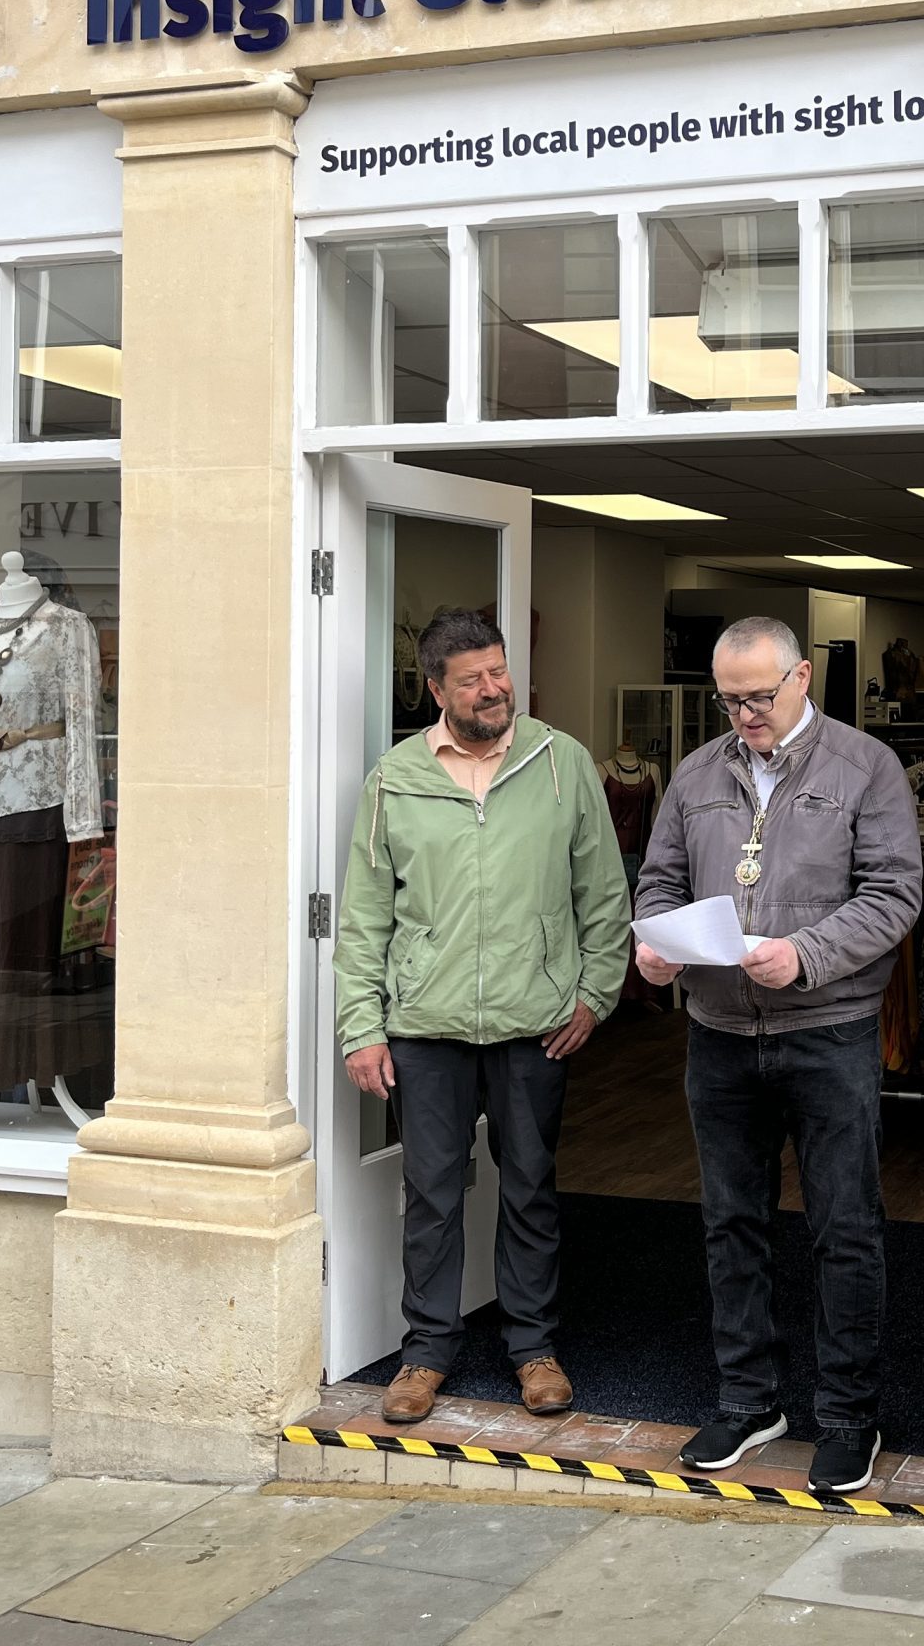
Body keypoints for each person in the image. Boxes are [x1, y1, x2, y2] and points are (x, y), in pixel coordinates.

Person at [633, 616, 923, 1495]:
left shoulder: (866, 767)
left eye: (760, 696)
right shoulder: (697, 774)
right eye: (730, 700)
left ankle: (849, 1416)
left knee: (846, 1229)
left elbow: (895, 893)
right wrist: (654, 946)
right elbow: (659, 882)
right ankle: (749, 1401)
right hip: (719, 1034)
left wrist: (808, 954)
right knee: (732, 1225)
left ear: (802, 678)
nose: (745, 714)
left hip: (829, 1030)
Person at [331, 609, 630, 1425]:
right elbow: (365, 914)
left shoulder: (560, 762)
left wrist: (594, 994)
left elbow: (604, 893)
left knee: (530, 1187)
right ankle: (426, 1352)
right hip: (425, 1025)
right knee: (431, 1193)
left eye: (499, 671)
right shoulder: (395, 777)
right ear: (437, 689)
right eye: (473, 679)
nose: (494, 688)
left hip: (536, 1021)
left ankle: (534, 1347)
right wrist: (362, 1027)